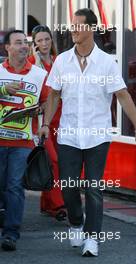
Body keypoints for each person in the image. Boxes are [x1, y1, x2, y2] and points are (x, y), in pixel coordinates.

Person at [39, 8, 136, 257]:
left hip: (97, 135)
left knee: (93, 188)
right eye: (72, 26)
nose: (73, 30)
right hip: (68, 135)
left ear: (91, 28)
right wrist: (46, 124)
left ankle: (92, 239)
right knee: (68, 186)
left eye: (78, 26)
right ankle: (76, 222)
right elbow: (54, 94)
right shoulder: (62, 61)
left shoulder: (106, 62)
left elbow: (122, 95)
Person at [0, 29, 48, 251]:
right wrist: (3, 89)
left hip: (23, 141)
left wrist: (42, 116)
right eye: (18, 43)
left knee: (14, 186)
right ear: (7, 48)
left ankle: (11, 233)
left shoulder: (38, 75)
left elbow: (49, 102)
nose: (23, 46)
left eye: (25, 43)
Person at [28, 25, 66, 220]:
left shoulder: (59, 61)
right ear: (34, 44)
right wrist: (35, 61)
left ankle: (47, 203)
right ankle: (59, 206)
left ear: (52, 41)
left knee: (60, 162)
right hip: (42, 121)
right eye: (39, 41)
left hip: (61, 118)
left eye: (47, 40)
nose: (44, 44)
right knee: (52, 161)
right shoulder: (31, 63)